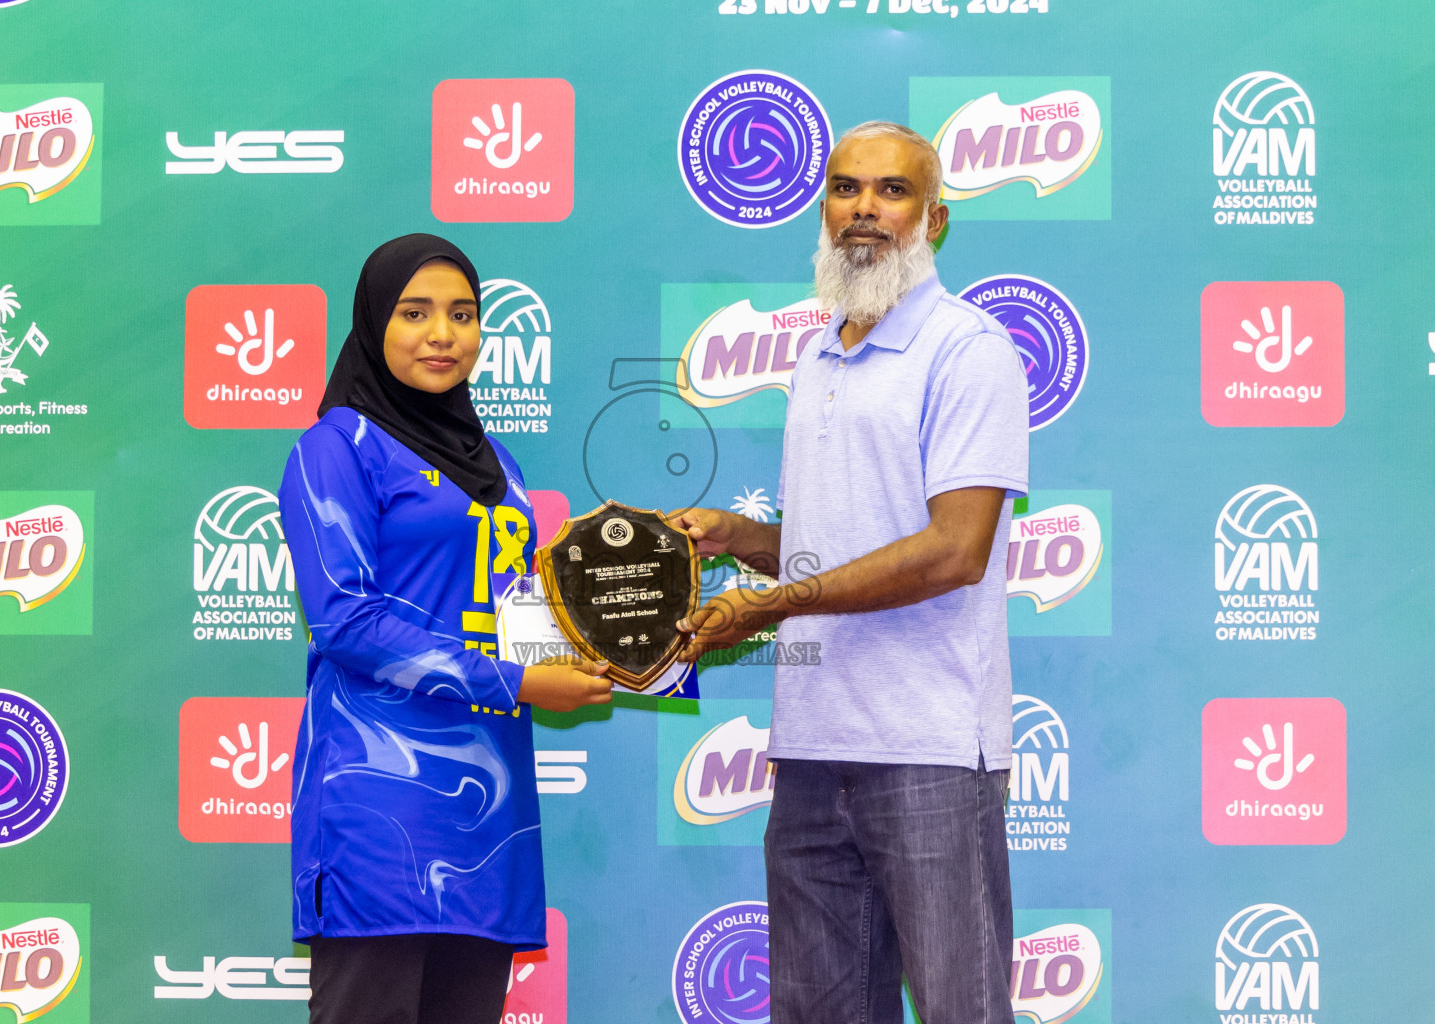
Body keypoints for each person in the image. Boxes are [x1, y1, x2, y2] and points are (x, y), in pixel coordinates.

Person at [676, 122, 1029, 1024]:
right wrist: (742, 537)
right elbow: (841, 539)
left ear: (935, 219)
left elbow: (955, 549)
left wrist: (774, 605)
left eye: (892, 191)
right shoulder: (817, 350)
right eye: (844, 188)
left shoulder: (968, 348)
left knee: (962, 1010)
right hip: (810, 746)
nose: (863, 209)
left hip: (929, 750)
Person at [277, 233, 612, 1024]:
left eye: (463, 314)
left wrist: (616, 608)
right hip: (377, 804)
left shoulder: (499, 464)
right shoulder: (336, 449)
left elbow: (516, 607)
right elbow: (346, 621)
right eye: (415, 312)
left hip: (488, 810)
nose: (442, 333)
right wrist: (523, 683)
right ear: (372, 325)